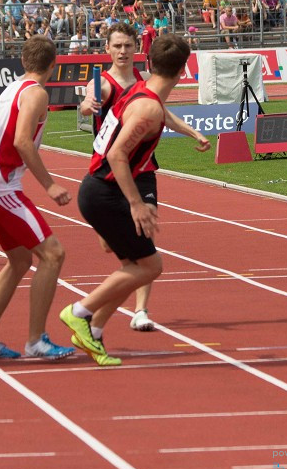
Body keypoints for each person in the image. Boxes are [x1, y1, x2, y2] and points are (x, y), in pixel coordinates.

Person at [61, 35, 193, 366]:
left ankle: (96, 332)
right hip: (103, 191)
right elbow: (117, 154)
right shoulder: (147, 106)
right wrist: (135, 202)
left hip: (99, 189)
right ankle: (80, 311)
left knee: (136, 266)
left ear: (147, 63)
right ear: (182, 71)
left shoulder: (141, 91)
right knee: (151, 265)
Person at [77, 23, 210, 331]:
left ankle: (125, 316)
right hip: (110, 176)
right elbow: (105, 134)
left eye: (128, 46)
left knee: (143, 254)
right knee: (140, 260)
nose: (122, 51)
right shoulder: (107, 84)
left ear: (141, 53)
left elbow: (160, 111)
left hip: (139, 170)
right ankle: (82, 313)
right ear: (108, 48)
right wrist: (87, 106)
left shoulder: (142, 86)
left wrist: (192, 131)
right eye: (117, 46)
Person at [0, 36, 74, 360]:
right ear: (53, 64)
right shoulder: (37, 93)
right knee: (53, 254)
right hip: (1, 185)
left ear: (23, 62)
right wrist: (50, 185)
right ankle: (36, 341)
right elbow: (22, 142)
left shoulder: (12, 87)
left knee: (19, 261)